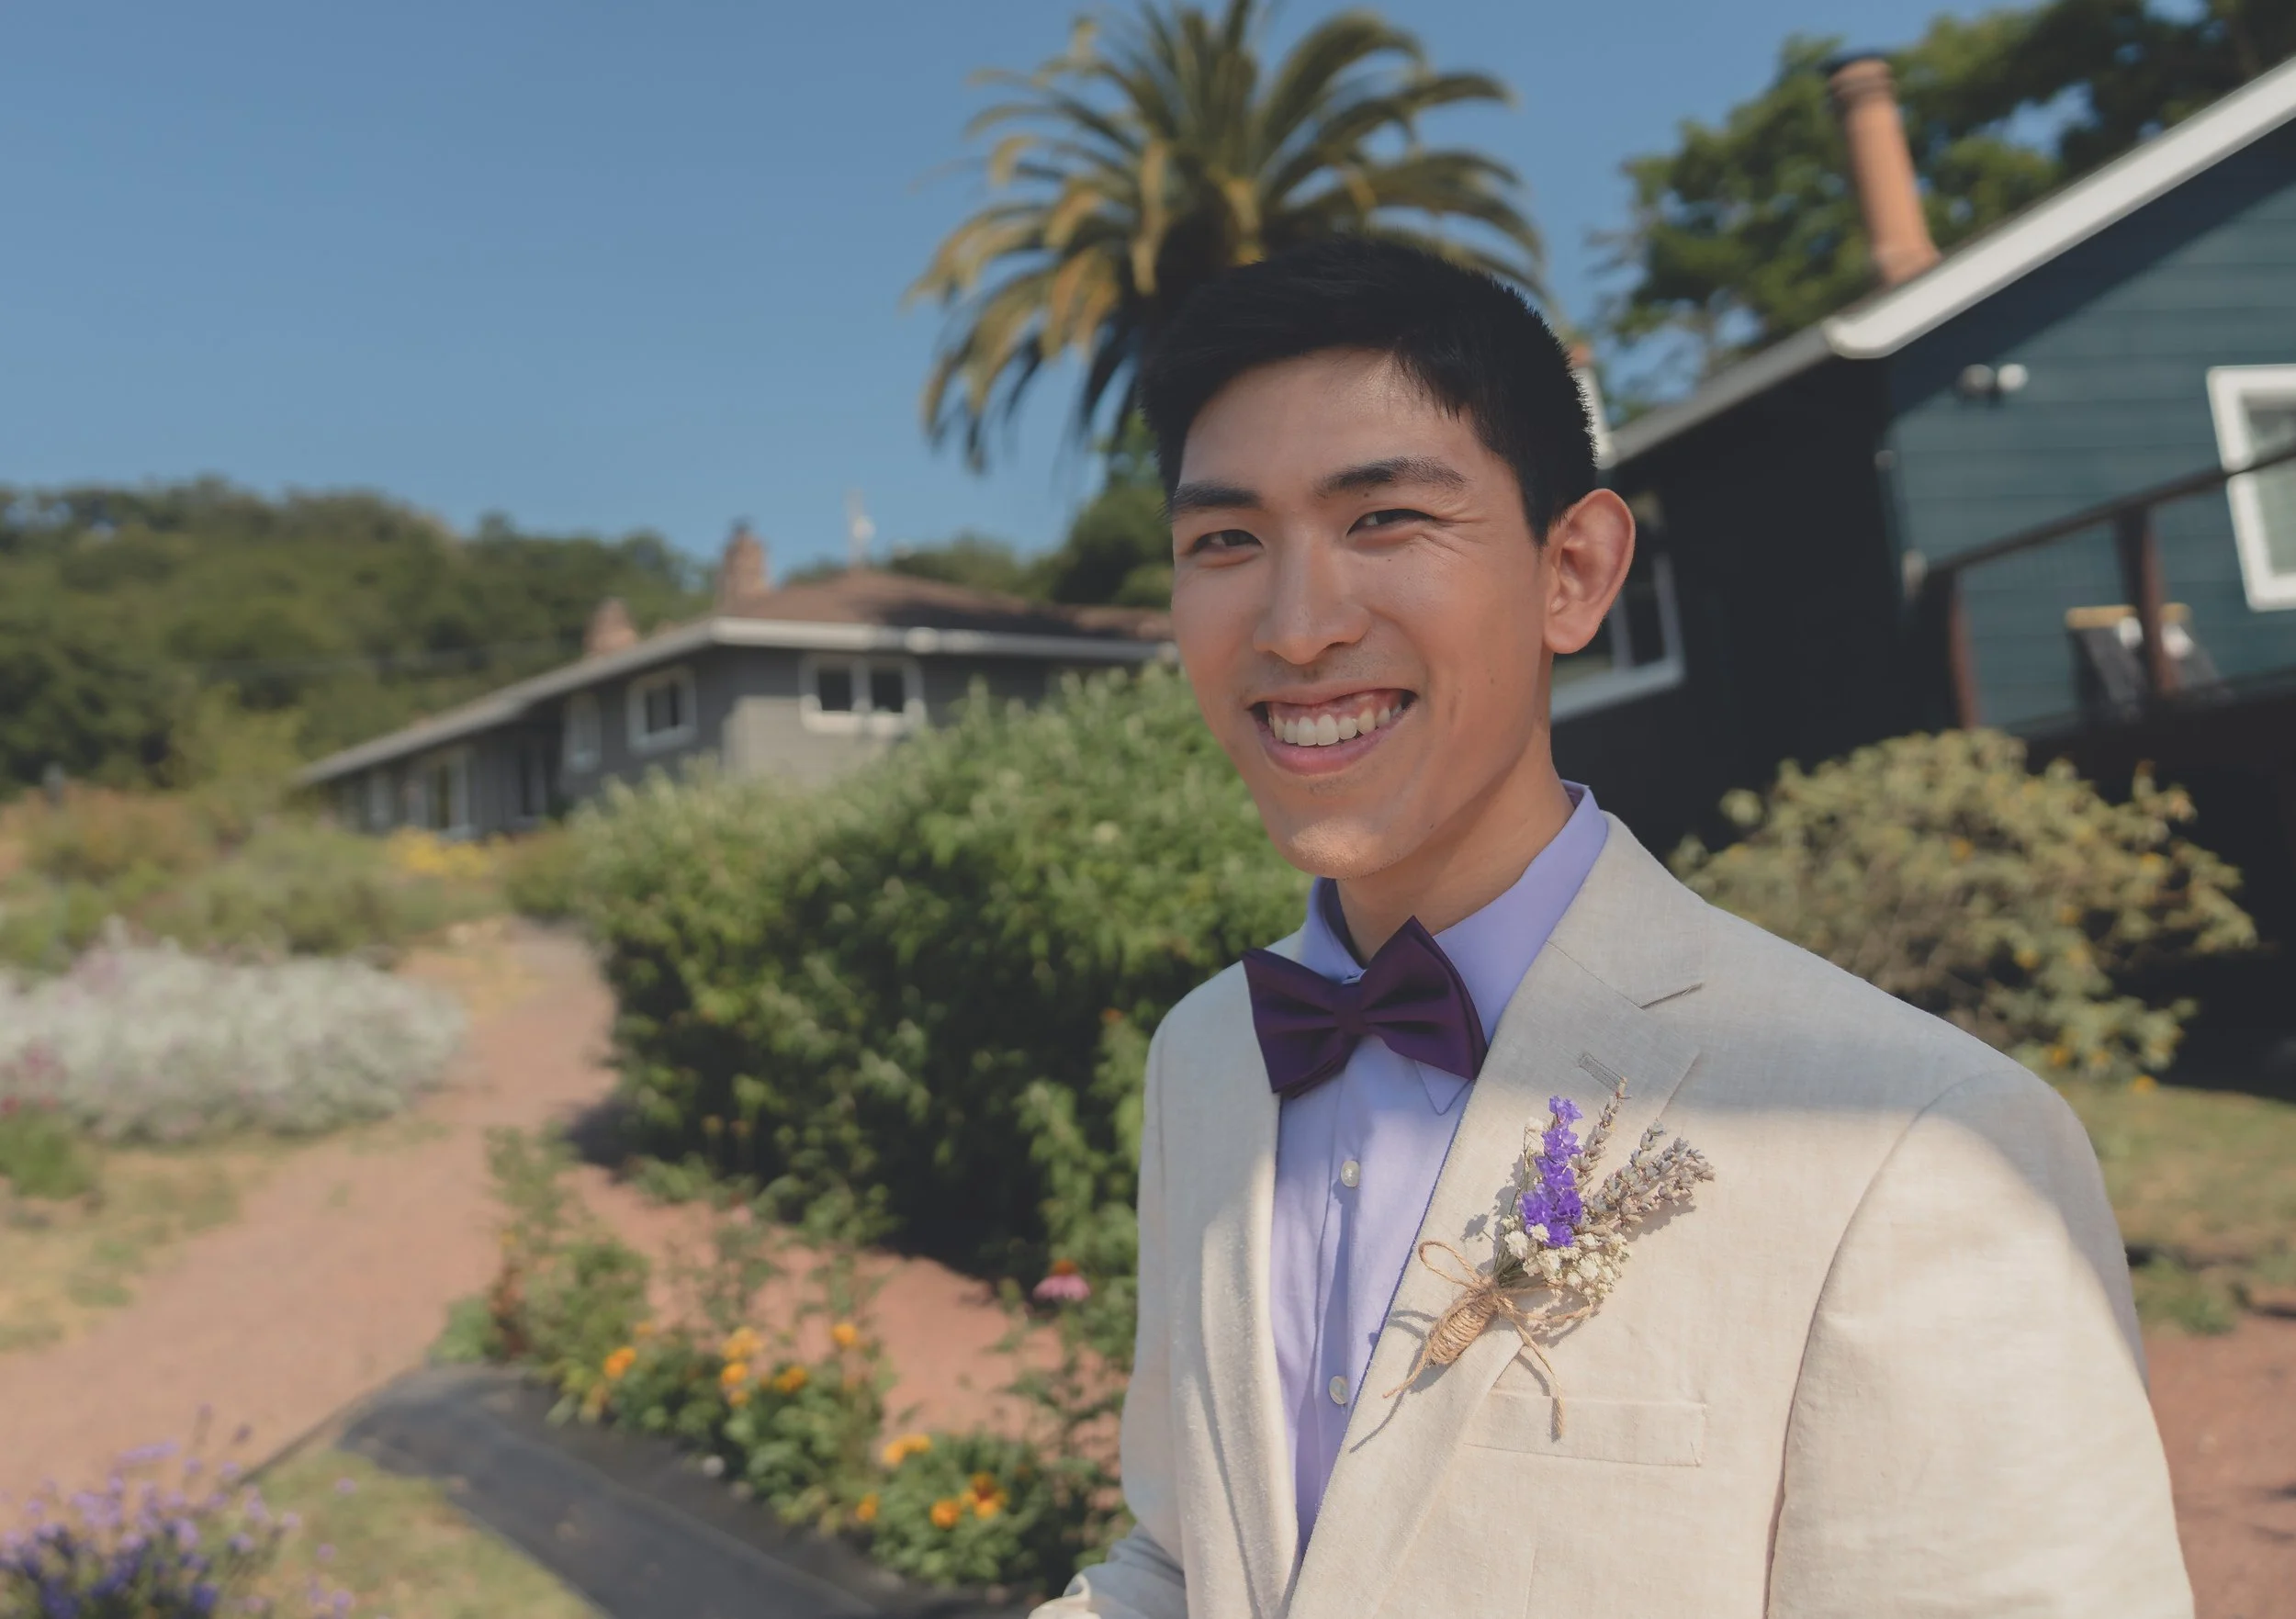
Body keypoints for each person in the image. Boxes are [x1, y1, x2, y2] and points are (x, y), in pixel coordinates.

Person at [1032, 239, 2190, 1618]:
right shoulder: (1208, 1055)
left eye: (1386, 519)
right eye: (1224, 541)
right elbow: (1182, 1562)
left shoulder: (1923, 1140)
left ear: (1573, 570)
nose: (1295, 625)